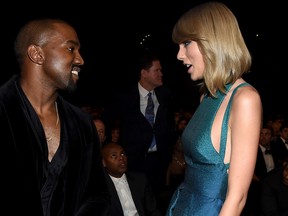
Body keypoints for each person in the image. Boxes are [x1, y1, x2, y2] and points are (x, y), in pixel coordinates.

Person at [1, 19, 110, 215]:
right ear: (37, 54)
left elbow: (98, 193)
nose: (80, 60)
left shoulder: (83, 123)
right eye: (70, 49)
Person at [166, 2, 262, 216]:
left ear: (213, 41)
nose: (179, 55)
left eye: (186, 43)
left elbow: (237, 198)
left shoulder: (245, 99)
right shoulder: (206, 96)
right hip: (181, 205)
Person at [105, 54, 175, 198]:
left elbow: (170, 124)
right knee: (137, 201)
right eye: (157, 70)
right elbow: (106, 122)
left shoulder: (165, 94)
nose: (161, 74)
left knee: (157, 201)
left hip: (160, 161)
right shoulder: (125, 97)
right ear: (144, 73)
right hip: (134, 162)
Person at [101, 142, 162, 216]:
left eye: (123, 154)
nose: (121, 158)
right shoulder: (99, 187)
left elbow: (152, 210)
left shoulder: (140, 180)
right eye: (114, 155)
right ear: (103, 162)